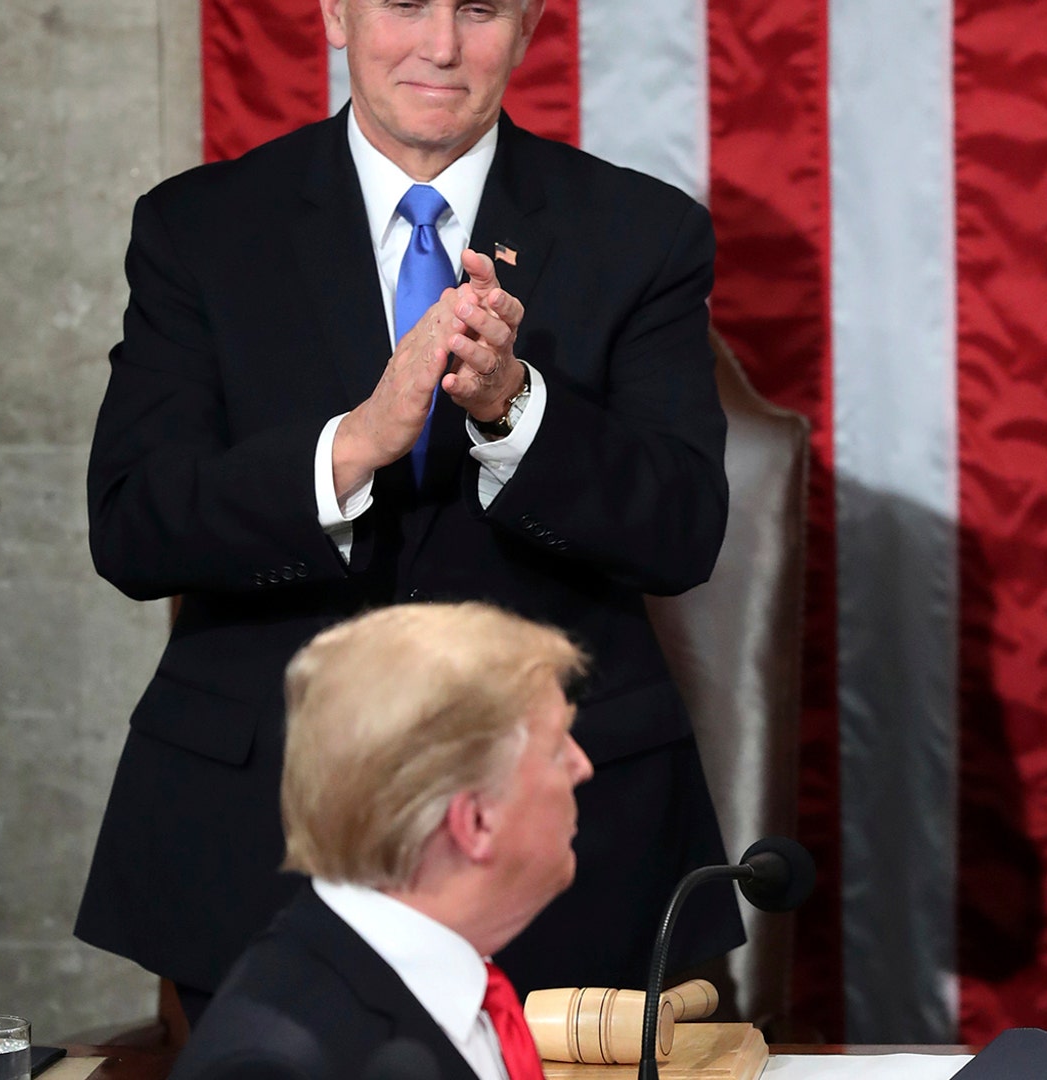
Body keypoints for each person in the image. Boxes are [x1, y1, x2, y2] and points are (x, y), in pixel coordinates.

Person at [78, 0, 741, 1024]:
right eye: (404, 4)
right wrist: (356, 444)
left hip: (570, 848)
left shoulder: (643, 232)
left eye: (479, 9)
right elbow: (133, 524)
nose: (440, 46)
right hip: (255, 838)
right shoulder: (198, 228)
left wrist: (516, 410)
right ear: (336, 13)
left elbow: (683, 529)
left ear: (527, 28)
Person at [171, 603, 590, 1080]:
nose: (583, 766)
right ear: (474, 822)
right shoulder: (276, 1065)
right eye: (558, 748)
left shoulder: (458, 984)